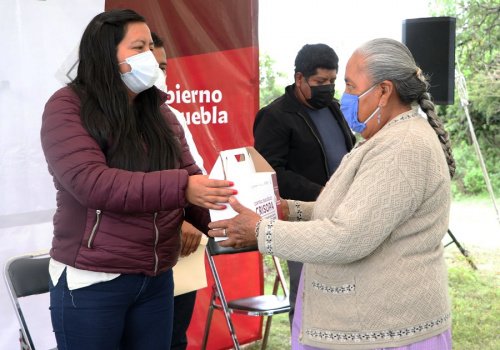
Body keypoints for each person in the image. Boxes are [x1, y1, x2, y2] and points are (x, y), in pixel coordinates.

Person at [209, 38, 456, 349]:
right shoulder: (386, 137)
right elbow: (355, 209)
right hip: (371, 324)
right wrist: (291, 210)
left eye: (350, 86)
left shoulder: (402, 146)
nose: (343, 95)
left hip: (388, 329)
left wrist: (262, 232)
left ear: (383, 91)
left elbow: (348, 235)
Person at [40, 9, 234, 350]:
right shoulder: (67, 107)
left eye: (151, 47)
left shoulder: (161, 114)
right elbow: (93, 184)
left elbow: (193, 179)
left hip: (155, 278)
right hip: (93, 280)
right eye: (138, 47)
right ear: (105, 53)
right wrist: (183, 188)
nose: (150, 56)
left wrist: (234, 221)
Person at [253, 43, 356, 326]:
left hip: (343, 215)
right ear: (299, 78)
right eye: (320, 82)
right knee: (308, 296)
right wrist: (319, 192)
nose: (328, 87)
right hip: (303, 221)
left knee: (344, 294)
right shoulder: (275, 116)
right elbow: (270, 172)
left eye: (332, 81)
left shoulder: (335, 109)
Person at [151, 31, 205, 350]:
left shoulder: (175, 117)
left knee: (174, 339)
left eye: (163, 66)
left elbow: (196, 175)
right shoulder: (107, 123)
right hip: (139, 259)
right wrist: (175, 218)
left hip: (181, 250)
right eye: (150, 66)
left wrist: (193, 220)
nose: (159, 74)